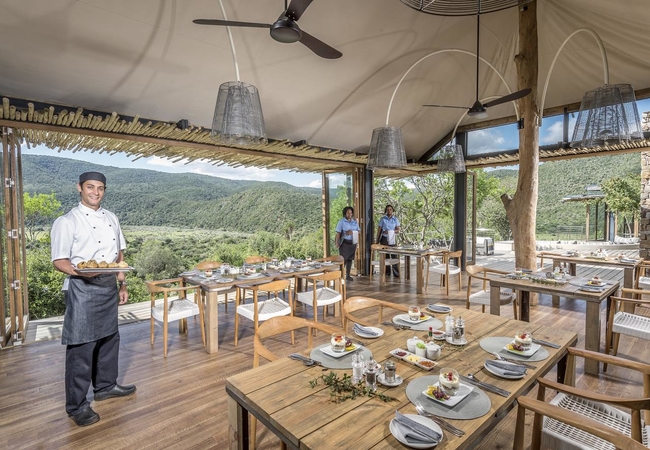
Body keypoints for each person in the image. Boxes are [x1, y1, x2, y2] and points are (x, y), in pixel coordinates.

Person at [51, 171, 136, 427]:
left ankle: (105, 386)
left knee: (109, 339)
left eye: (100, 188)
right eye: (90, 187)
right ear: (79, 188)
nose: (95, 192)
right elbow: (59, 260)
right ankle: (76, 406)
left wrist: (122, 283)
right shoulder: (67, 221)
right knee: (81, 346)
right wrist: (81, 272)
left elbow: (119, 255)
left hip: (108, 285)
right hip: (82, 287)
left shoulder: (112, 218)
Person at [335, 206, 360, 281]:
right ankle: (340, 276)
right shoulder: (341, 222)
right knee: (343, 260)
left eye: (351, 213)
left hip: (352, 243)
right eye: (348, 213)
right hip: (344, 243)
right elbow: (338, 233)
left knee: (350, 259)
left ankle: (348, 275)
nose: (349, 214)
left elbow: (359, 231)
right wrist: (337, 242)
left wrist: (352, 232)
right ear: (345, 214)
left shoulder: (354, 222)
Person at [376, 204, 400, 278]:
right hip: (384, 239)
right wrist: (377, 240)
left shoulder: (395, 219)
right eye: (387, 209)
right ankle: (387, 273)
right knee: (385, 256)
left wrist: (390, 231)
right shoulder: (383, 219)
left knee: (394, 255)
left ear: (392, 210)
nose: (389, 211)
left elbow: (398, 230)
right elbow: (379, 230)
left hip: (392, 238)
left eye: (390, 209)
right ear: (386, 211)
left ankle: (396, 273)